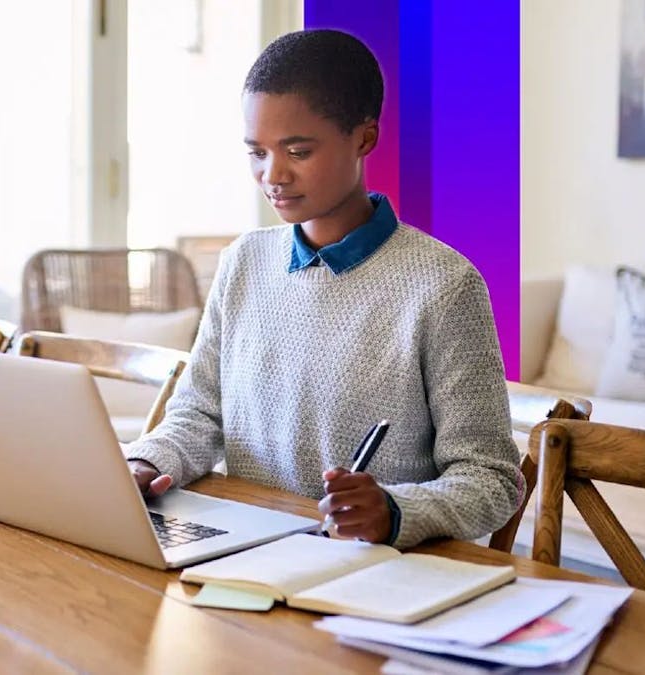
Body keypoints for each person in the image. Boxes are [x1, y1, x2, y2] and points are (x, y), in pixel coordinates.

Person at [123, 29, 523, 549]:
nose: (273, 175)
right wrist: (145, 461)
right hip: (237, 553)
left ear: (364, 138)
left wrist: (396, 511)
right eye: (256, 152)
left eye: (297, 150)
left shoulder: (444, 286)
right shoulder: (243, 261)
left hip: (367, 571)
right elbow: (198, 414)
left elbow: (491, 480)